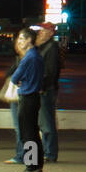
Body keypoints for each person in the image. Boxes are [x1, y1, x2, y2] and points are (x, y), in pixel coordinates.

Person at [9, 26, 43, 172]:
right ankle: (37, 165)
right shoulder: (37, 55)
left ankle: (31, 167)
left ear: (29, 40)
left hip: (27, 97)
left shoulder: (28, 57)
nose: (19, 41)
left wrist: (21, 81)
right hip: (35, 97)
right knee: (34, 133)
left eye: (22, 38)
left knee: (27, 133)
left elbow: (15, 77)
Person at [34, 21, 63, 162]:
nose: (40, 32)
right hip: (45, 89)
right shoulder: (45, 47)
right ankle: (47, 152)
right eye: (40, 30)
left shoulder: (51, 48)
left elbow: (51, 72)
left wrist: (42, 87)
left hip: (45, 90)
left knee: (47, 122)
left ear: (51, 33)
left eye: (44, 30)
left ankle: (50, 153)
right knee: (44, 122)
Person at [2, 36, 24, 165]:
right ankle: (30, 160)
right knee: (25, 128)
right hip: (25, 96)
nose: (18, 45)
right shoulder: (24, 58)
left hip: (24, 96)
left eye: (21, 41)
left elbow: (14, 76)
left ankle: (26, 159)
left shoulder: (28, 58)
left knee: (23, 128)